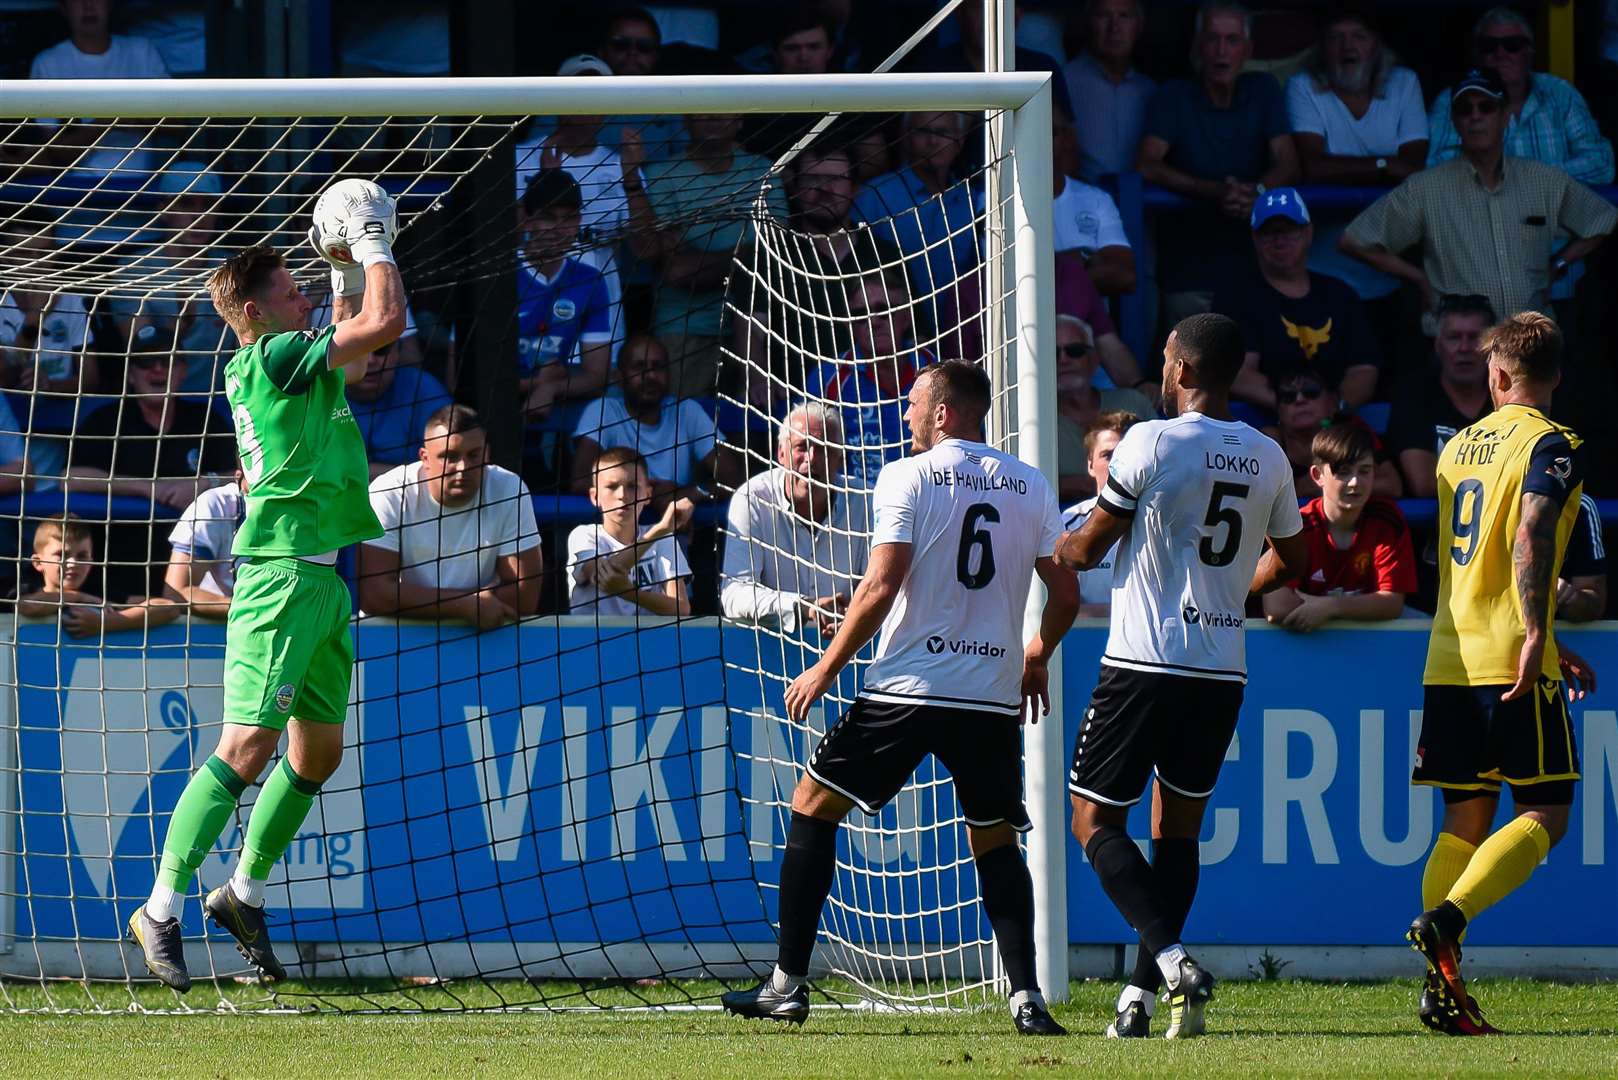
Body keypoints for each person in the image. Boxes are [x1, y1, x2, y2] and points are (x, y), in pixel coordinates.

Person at [720, 360, 1078, 1037]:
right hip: (990, 692)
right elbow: (1064, 594)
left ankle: (786, 984)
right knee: (995, 840)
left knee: (810, 805)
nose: (905, 416)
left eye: (914, 404)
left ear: (944, 413)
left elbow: (880, 587)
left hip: (908, 687)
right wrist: (1037, 655)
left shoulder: (905, 476)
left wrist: (826, 667)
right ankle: (1027, 998)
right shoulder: (1029, 484)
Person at [127, 180, 407, 994]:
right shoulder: (272, 357)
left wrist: (347, 266)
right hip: (281, 579)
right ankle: (161, 905)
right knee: (244, 750)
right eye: (291, 290)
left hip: (322, 583)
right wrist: (372, 240)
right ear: (252, 311)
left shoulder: (296, 365)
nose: (306, 296)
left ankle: (243, 893)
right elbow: (381, 325)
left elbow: (358, 327)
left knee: (317, 754)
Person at [1055, 313, 1309, 1040]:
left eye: (1167, 361)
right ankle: (1140, 999)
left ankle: (1170, 958)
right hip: (1220, 670)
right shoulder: (1266, 455)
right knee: (1179, 834)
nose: (1161, 372)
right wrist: (1232, 592)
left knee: (1093, 820)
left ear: (1189, 372)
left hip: (1143, 662)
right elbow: (1292, 563)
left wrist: (1053, 544)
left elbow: (1091, 549)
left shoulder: (1151, 439)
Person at [1406, 312, 1596, 1036]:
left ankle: (1439, 987)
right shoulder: (1555, 444)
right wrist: (1538, 631)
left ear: (1495, 376)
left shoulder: (1456, 449)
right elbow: (1530, 533)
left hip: (1448, 656)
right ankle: (1446, 920)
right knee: (1544, 812)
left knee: (1464, 819)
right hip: (1512, 656)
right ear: (1554, 375)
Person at [1340, 69, 1618, 339]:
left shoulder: (1543, 180)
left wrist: (1558, 264)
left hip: (1529, 347)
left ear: (1505, 116)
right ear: (1455, 121)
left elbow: (1604, 219)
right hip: (1461, 351)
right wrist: (1419, 279)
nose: (1475, 116)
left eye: (1486, 107)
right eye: (1465, 109)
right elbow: (1354, 241)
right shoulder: (1426, 187)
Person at [1137, 1, 1299, 320]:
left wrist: (1257, 190)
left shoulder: (1263, 90)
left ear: (1248, 49)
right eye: (1212, 39)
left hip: (1256, 267)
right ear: (1198, 47)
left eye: (1232, 40)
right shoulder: (1175, 95)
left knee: (1255, 366)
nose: (1221, 50)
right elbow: (1146, 163)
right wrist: (1214, 191)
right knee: (1192, 367)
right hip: (1188, 269)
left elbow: (1289, 162)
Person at [64, 331, 237, 600]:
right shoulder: (107, 420)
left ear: (182, 371)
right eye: (146, 362)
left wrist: (205, 482)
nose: (157, 369)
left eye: (167, 361)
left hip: (194, 576)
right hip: (115, 572)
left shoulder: (206, 420)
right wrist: (149, 488)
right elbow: (70, 478)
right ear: (131, 374)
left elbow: (242, 474)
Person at [1284, 6, 1427, 320]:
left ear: (1376, 44)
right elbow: (1313, 167)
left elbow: (1414, 167)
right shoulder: (1303, 85)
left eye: (1358, 36)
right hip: (1321, 269)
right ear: (1323, 46)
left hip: (1389, 271)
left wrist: (1351, 169)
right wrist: (1383, 166)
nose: (1348, 47)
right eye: (1336, 38)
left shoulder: (1403, 83)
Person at [360, 404, 542, 628]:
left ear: (487, 453)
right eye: (450, 456)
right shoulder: (390, 491)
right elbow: (375, 595)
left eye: (474, 455)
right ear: (425, 458)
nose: (463, 467)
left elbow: (525, 595)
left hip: (484, 632)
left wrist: (463, 606)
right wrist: (466, 604)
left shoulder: (509, 488)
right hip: (400, 632)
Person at [1214, 187, 1379, 410]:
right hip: (1265, 425)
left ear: (1309, 233)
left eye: (1289, 230)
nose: (1279, 241)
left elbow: (1364, 370)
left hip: (1334, 425)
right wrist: (1296, 407)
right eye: (1269, 232)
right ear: (1254, 238)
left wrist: (1332, 408)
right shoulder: (1236, 296)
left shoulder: (1340, 295)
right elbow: (1239, 374)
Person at [513, 55, 630, 363]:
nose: (584, 103)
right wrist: (545, 181)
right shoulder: (519, 157)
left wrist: (633, 176)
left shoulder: (619, 163)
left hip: (598, 299)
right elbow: (501, 236)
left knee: (592, 387)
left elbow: (646, 250)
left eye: (595, 93)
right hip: (527, 295)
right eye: (576, 90)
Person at [720, 403, 869, 635]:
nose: (812, 458)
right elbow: (734, 593)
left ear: (840, 459)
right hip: (772, 647)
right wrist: (801, 606)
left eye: (824, 449)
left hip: (851, 642)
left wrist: (856, 617)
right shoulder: (752, 499)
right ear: (781, 453)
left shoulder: (866, 501)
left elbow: (880, 586)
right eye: (802, 447)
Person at [1426, 8, 1613, 186]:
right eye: (1489, 46)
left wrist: (1521, 181)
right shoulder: (1453, 99)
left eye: (1512, 45)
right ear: (1477, 55)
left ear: (1530, 52)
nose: (1501, 54)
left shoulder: (1560, 93)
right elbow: (1438, 168)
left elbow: (1601, 164)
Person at [1262, 419, 1416, 631]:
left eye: (1364, 471)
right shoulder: (1297, 526)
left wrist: (1330, 607)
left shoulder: (1387, 519)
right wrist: (1364, 606)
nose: (1355, 482)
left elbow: (1392, 602)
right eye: (1343, 471)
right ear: (1318, 475)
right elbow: (1277, 608)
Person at [804, 266, 937, 488]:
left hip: (927, 498)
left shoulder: (934, 370)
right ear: (850, 326)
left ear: (906, 318)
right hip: (857, 507)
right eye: (860, 315)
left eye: (883, 310)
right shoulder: (828, 379)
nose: (873, 321)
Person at [851, 112, 979, 340]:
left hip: (965, 337)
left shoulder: (974, 199)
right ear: (907, 137)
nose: (933, 141)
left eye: (943, 133)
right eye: (925, 132)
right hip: (895, 342)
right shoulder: (874, 196)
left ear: (960, 140)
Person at [570, 333, 719, 503]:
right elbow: (581, 482)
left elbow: (735, 480)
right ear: (619, 377)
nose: (651, 376)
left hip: (675, 526)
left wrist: (689, 493)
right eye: (639, 367)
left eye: (658, 367)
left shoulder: (687, 411)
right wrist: (649, 493)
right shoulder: (603, 411)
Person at [516, 170, 613, 420]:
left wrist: (550, 387)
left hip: (552, 402)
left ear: (579, 221)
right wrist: (537, 383)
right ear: (527, 220)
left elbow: (597, 375)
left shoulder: (590, 280)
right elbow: (460, 378)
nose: (559, 229)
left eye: (568, 218)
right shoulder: (499, 276)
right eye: (548, 217)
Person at [1387, 294, 1495, 499]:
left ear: (1492, 346)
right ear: (1438, 345)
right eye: (1454, 337)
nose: (1464, 348)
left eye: (1475, 338)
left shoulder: (1512, 396)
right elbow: (1424, 482)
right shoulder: (1414, 396)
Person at [566, 446, 693, 617]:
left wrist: (629, 592)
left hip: (649, 640)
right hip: (592, 639)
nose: (622, 495)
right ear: (595, 496)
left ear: (648, 494)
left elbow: (681, 609)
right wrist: (660, 529)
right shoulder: (583, 535)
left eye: (632, 486)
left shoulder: (664, 539)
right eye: (612, 486)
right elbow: (604, 575)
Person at [17, 514, 181, 637]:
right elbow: (29, 606)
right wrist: (79, 598)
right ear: (38, 562)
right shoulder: (28, 588)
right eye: (62, 555)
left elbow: (169, 607)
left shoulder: (100, 593)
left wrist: (103, 623)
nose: (73, 563)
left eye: (82, 556)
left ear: (92, 560)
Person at [1055, 315, 1153, 502]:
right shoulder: (1032, 420)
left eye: (1075, 351)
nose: (1063, 360)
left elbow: (1164, 461)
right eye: (1053, 352)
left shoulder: (1133, 402)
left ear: (1094, 359)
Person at [1061, 0, 1155, 182]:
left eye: (1124, 16)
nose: (1114, 27)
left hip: (1142, 202)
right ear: (1088, 23)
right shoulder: (1064, 82)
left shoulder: (1150, 91)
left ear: (1139, 26)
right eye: (1104, 16)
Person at [1061, 410, 1139, 618]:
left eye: (1125, 453)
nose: (1116, 463)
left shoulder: (1163, 520)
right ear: (1090, 464)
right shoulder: (1068, 524)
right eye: (1107, 455)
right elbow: (1057, 605)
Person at [1052, 107, 1135, 296]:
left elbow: (1124, 276)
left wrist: (1049, 267)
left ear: (1065, 139)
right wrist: (1084, 259)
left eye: (1050, 131)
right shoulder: (991, 200)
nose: (1041, 138)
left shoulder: (1096, 199)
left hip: (1088, 324)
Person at [345, 337, 452, 479]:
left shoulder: (424, 389)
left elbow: (446, 465)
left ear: (397, 352)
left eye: (380, 350)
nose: (370, 360)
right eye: (359, 351)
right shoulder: (321, 395)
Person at [163, 466, 247, 620]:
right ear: (239, 477)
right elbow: (177, 592)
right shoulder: (215, 504)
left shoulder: (304, 508)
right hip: (223, 628)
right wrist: (253, 609)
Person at [29, 0, 168, 80]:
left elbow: (176, 122)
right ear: (63, 7)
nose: (88, 5)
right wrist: (113, 118)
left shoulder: (142, 50)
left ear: (110, 3)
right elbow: (50, 130)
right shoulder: (48, 63)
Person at [1557, 494, 1608, 623]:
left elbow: (1595, 604)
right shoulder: (1499, 500)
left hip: (1554, 632)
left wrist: (1570, 597)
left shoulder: (1580, 507)